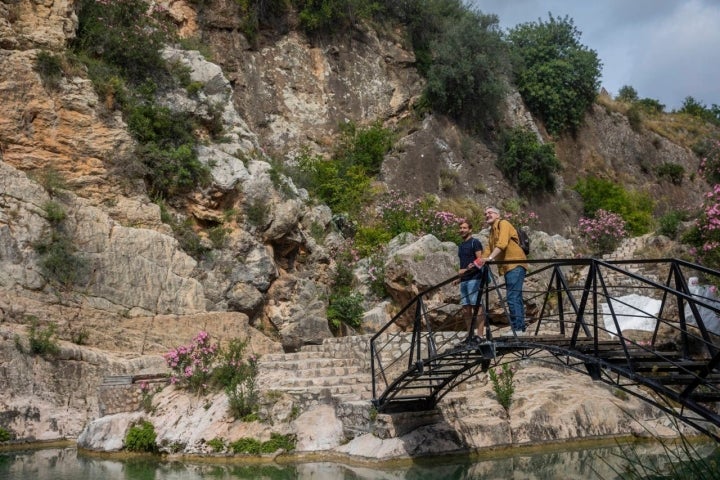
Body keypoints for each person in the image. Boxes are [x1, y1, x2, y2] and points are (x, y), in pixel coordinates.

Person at [474, 207, 528, 334]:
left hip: (515, 263)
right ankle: (520, 327)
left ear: (498, 215)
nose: (487, 215)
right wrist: (477, 263)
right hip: (509, 266)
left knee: (512, 296)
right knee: (516, 296)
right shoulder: (492, 231)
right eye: (485, 213)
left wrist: (490, 258)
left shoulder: (504, 223)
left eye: (490, 213)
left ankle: (517, 329)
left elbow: (502, 243)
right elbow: (488, 249)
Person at [457, 221, 486, 341]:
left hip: (475, 278)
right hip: (464, 280)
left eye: (464, 228)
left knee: (477, 306)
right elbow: (462, 264)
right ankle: (470, 335)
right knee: (466, 308)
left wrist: (468, 269)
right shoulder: (461, 245)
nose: (462, 230)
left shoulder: (475, 242)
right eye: (460, 228)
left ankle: (480, 335)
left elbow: (480, 260)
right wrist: (459, 278)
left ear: (470, 230)